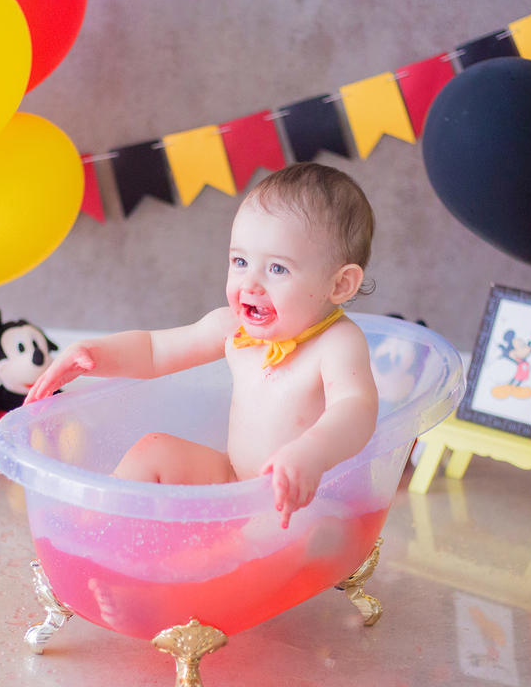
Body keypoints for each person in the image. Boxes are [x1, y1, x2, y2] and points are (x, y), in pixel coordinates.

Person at [25, 163, 379, 529]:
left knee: (269, 534)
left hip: (303, 501)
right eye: (240, 261)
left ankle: (194, 569)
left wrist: (312, 453)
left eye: (277, 269)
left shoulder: (337, 343)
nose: (250, 284)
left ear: (340, 285)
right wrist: (95, 354)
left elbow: (357, 408)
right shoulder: (232, 327)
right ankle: (100, 527)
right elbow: (153, 350)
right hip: (234, 476)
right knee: (154, 448)